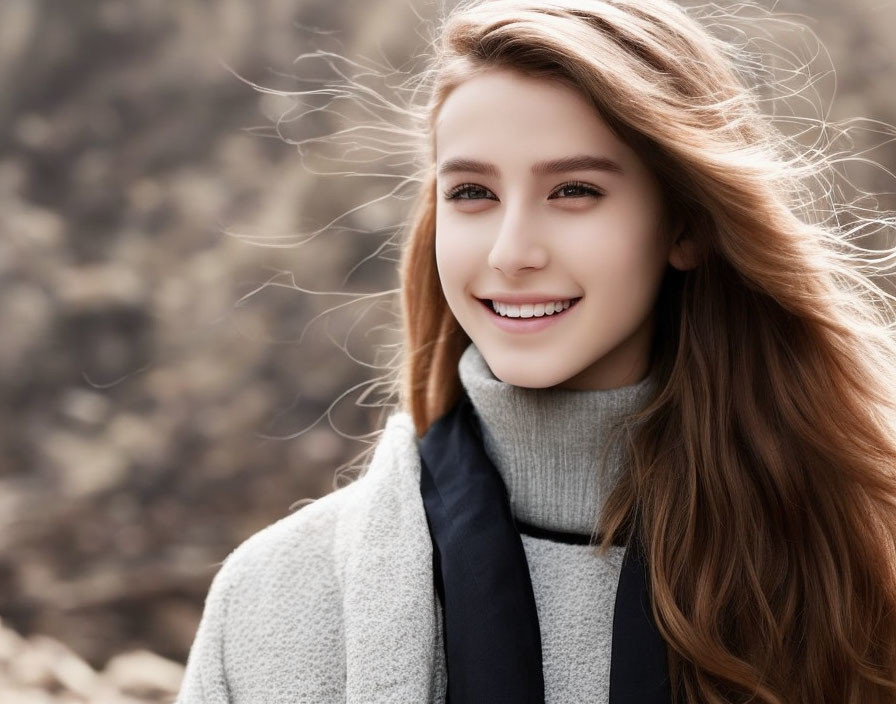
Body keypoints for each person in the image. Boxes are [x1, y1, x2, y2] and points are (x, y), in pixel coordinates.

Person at [176, 0, 896, 701]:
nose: (511, 252)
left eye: (574, 190)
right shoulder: (271, 597)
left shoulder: (861, 574)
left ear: (686, 226)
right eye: (472, 193)